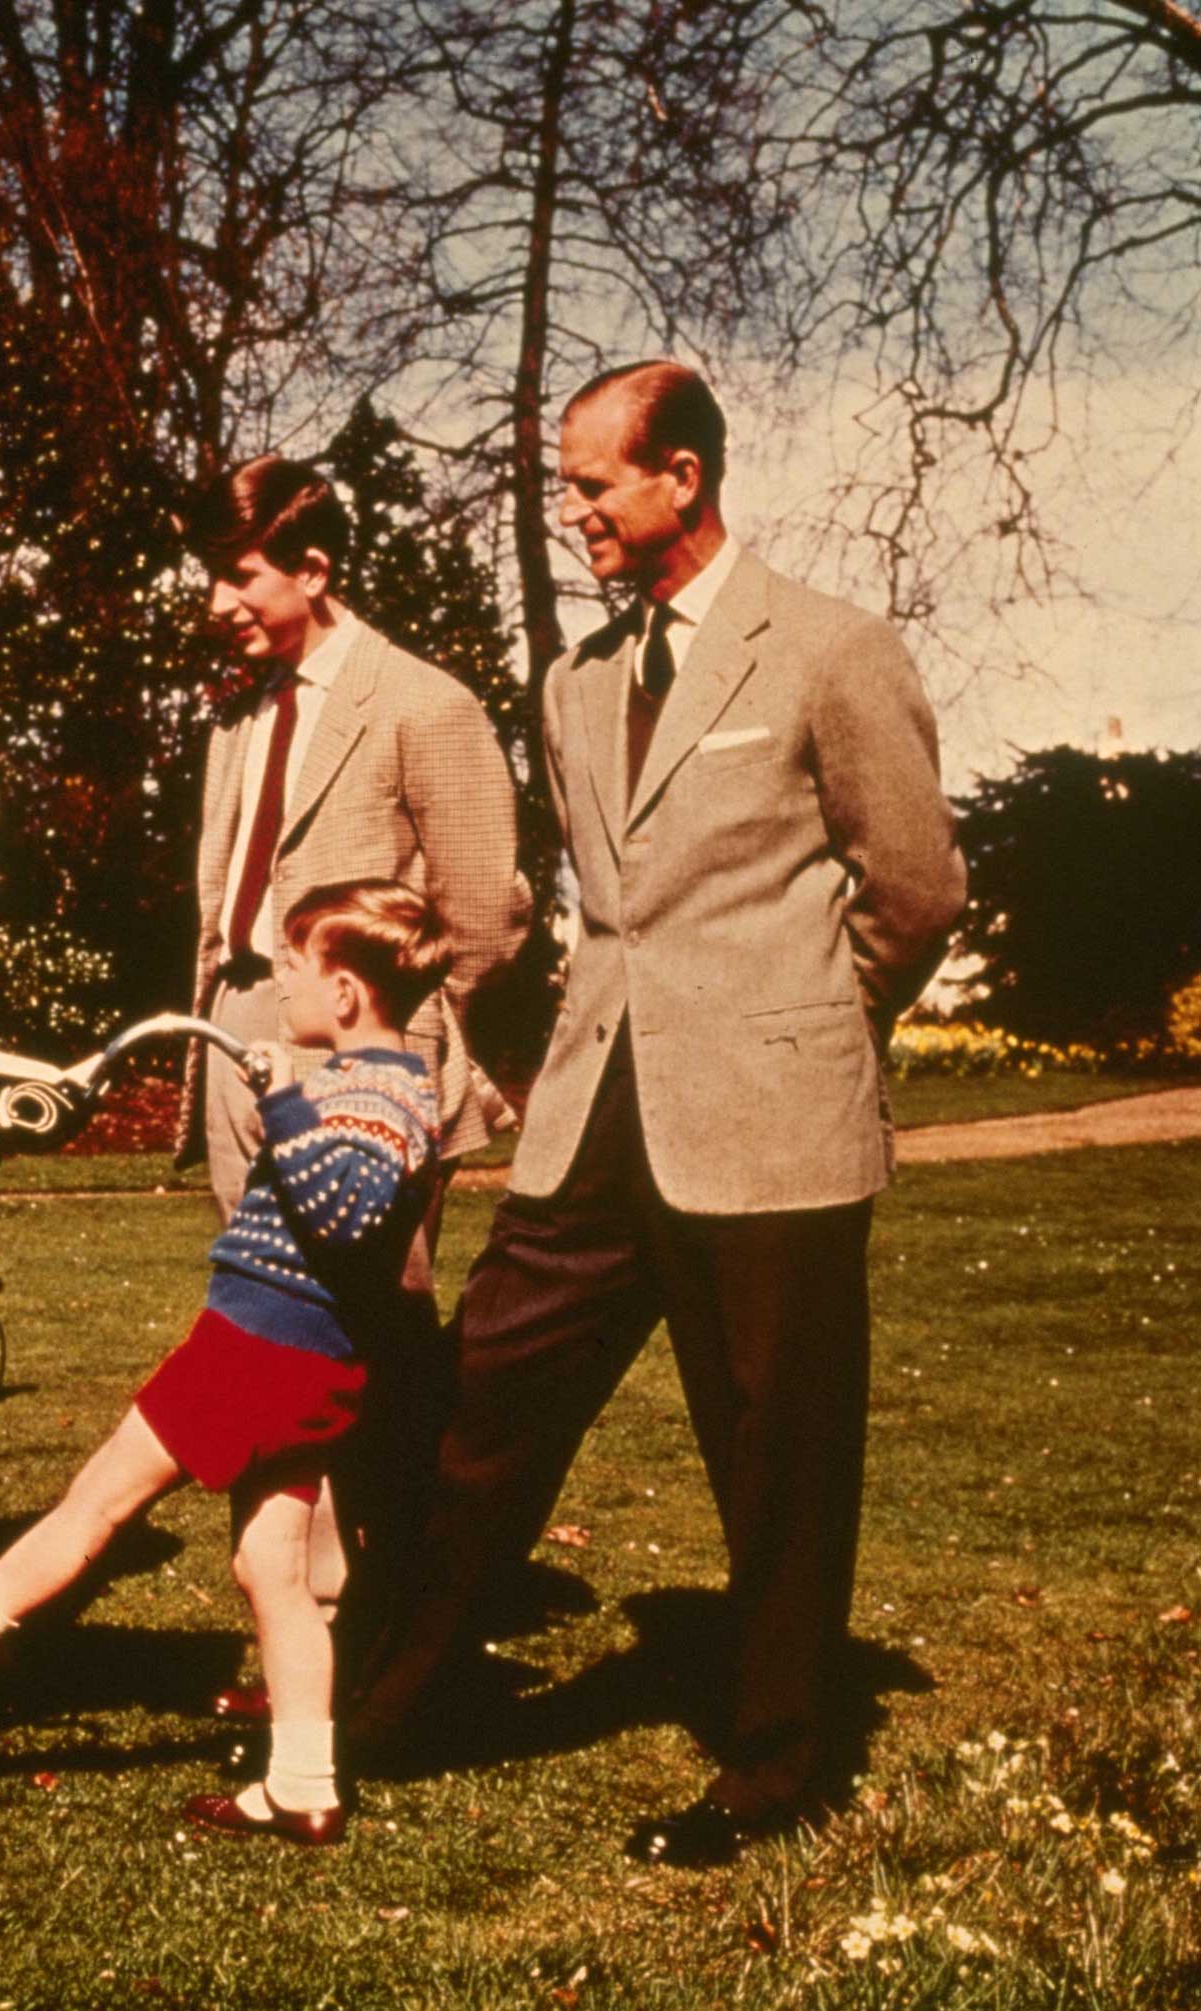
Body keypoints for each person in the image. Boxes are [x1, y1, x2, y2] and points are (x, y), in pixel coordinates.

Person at [346, 361, 968, 1867]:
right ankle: (379, 1712)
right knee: (477, 1397)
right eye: (565, 488)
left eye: (593, 485)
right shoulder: (573, 681)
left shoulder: (827, 648)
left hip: (769, 1121)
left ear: (681, 476)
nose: (574, 516)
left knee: (774, 1444)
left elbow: (913, 890)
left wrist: (802, 1028)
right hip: (591, 1115)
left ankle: (774, 1765)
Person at [0, 881, 450, 1846]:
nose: (280, 985)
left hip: (258, 1351)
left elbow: (348, 1212)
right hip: (303, 1360)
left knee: (94, 1504)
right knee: (274, 1571)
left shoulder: (378, 1092)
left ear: (345, 992)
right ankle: (303, 1782)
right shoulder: (379, 1080)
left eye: (292, 968)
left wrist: (284, 1105)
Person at [179, 455, 530, 1714]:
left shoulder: (421, 704)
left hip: (362, 1061)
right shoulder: (235, 712)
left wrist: (390, 1047)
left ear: (313, 569)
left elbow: (482, 913)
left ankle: (403, 1621)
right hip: (238, 1040)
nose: (214, 596)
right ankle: (292, 1634)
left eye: (239, 573)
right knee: (263, 1325)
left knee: (377, 1331)